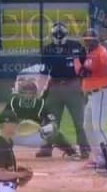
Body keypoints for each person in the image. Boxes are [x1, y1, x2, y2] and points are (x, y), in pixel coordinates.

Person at [37, 22, 91, 159]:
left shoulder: (76, 47)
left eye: (61, 34)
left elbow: (86, 67)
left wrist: (84, 85)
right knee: (50, 120)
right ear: (52, 35)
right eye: (56, 34)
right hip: (54, 85)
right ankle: (47, 147)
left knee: (80, 121)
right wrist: (41, 89)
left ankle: (84, 149)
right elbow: (44, 71)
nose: (59, 36)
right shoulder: (47, 49)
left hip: (73, 85)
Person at [1, 75, 81, 156]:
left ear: (35, 94)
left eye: (30, 93)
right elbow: (2, 119)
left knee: (54, 131)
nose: (27, 96)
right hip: (17, 134)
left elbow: (53, 122)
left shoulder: (40, 104)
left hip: (36, 136)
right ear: (20, 94)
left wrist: (46, 128)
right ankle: (1, 152)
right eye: (25, 93)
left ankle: (70, 151)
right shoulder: (13, 103)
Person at [80, 29, 107, 172]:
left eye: (90, 39)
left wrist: (84, 64)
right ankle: (100, 159)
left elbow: (97, 69)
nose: (88, 42)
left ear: (96, 40)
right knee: (87, 126)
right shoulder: (89, 53)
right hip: (91, 95)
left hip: (101, 93)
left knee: (99, 127)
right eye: (86, 40)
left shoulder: (102, 52)